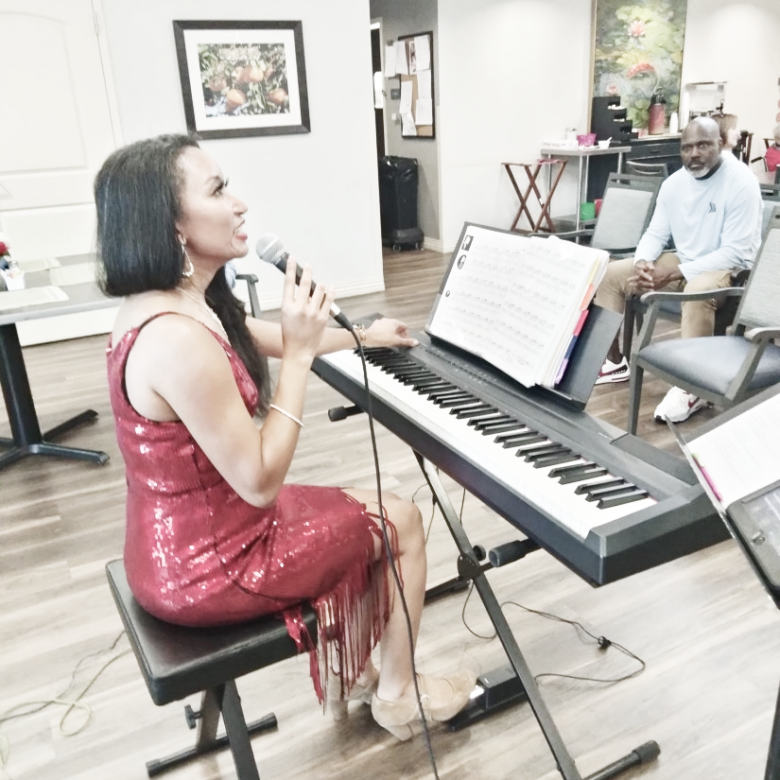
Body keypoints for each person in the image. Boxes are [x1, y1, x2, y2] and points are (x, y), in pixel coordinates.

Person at [94, 134, 475, 742]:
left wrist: (362, 335)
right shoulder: (177, 339)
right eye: (218, 190)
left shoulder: (171, 302)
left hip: (173, 545)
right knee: (401, 520)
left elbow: (263, 336)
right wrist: (299, 359)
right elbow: (260, 481)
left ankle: (356, 670)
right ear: (173, 227)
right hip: (211, 567)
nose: (240, 203)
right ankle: (398, 695)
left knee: (360, 508)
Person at [594, 116, 762, 423]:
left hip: (730, 269)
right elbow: (656, 234)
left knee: (698, 291)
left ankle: (692, 389)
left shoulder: (741, 182)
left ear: (720, 144)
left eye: (703, 145)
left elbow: (735, 251)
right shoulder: (674, 184)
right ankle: (614, 361)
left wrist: (675, 272)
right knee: (613, 274)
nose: (694, 154)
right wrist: (644, 262)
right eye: (687, 148)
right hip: (686, 261)